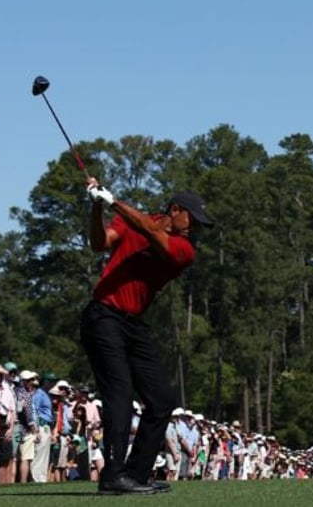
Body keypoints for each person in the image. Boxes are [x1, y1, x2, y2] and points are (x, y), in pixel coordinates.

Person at [81, 178, 213, 495]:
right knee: (120, 396)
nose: (193, 227)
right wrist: (97, 205)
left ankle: (137, 474)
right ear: (175, 210)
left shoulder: (184, 249)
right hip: (103, 316)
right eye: (191, 219)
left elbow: (150, 233)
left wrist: (112, 200)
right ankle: (113, 476)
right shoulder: (134, 221)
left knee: (161, 400)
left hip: (133, 324)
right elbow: (99, 243)